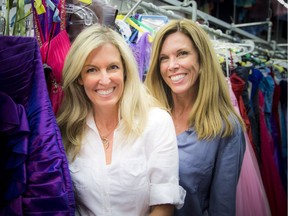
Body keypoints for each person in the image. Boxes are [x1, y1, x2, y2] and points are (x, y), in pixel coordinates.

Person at [56, 24, 185, 216]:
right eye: (92, 70)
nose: (105, 80)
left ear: (125, 70)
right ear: (79, 77)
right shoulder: (67, 129)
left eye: (113, 67)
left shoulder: (156, 122)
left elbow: (163, 206)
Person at [145, 19, 246, 216]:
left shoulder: (226, 128)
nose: (172, 65)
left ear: (201, 59)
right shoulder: (146, 115)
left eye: (182, 54)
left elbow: (222, 209)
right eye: (164, 58)